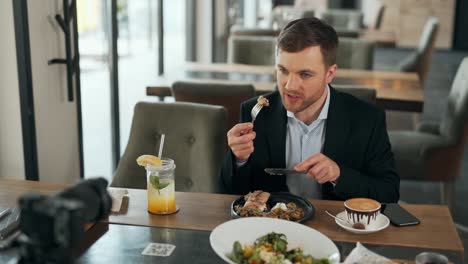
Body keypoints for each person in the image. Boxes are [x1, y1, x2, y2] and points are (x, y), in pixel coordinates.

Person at [220, 17, 399, 203]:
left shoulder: (367, 119)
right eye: (283, 70)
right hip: (274, 227)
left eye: (305, 74)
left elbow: (389, 193)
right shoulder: (255, 112)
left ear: (329, 74)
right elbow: (229, 194)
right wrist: (238, 160)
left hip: (335, 228)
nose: (290, 86)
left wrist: (339, 175)